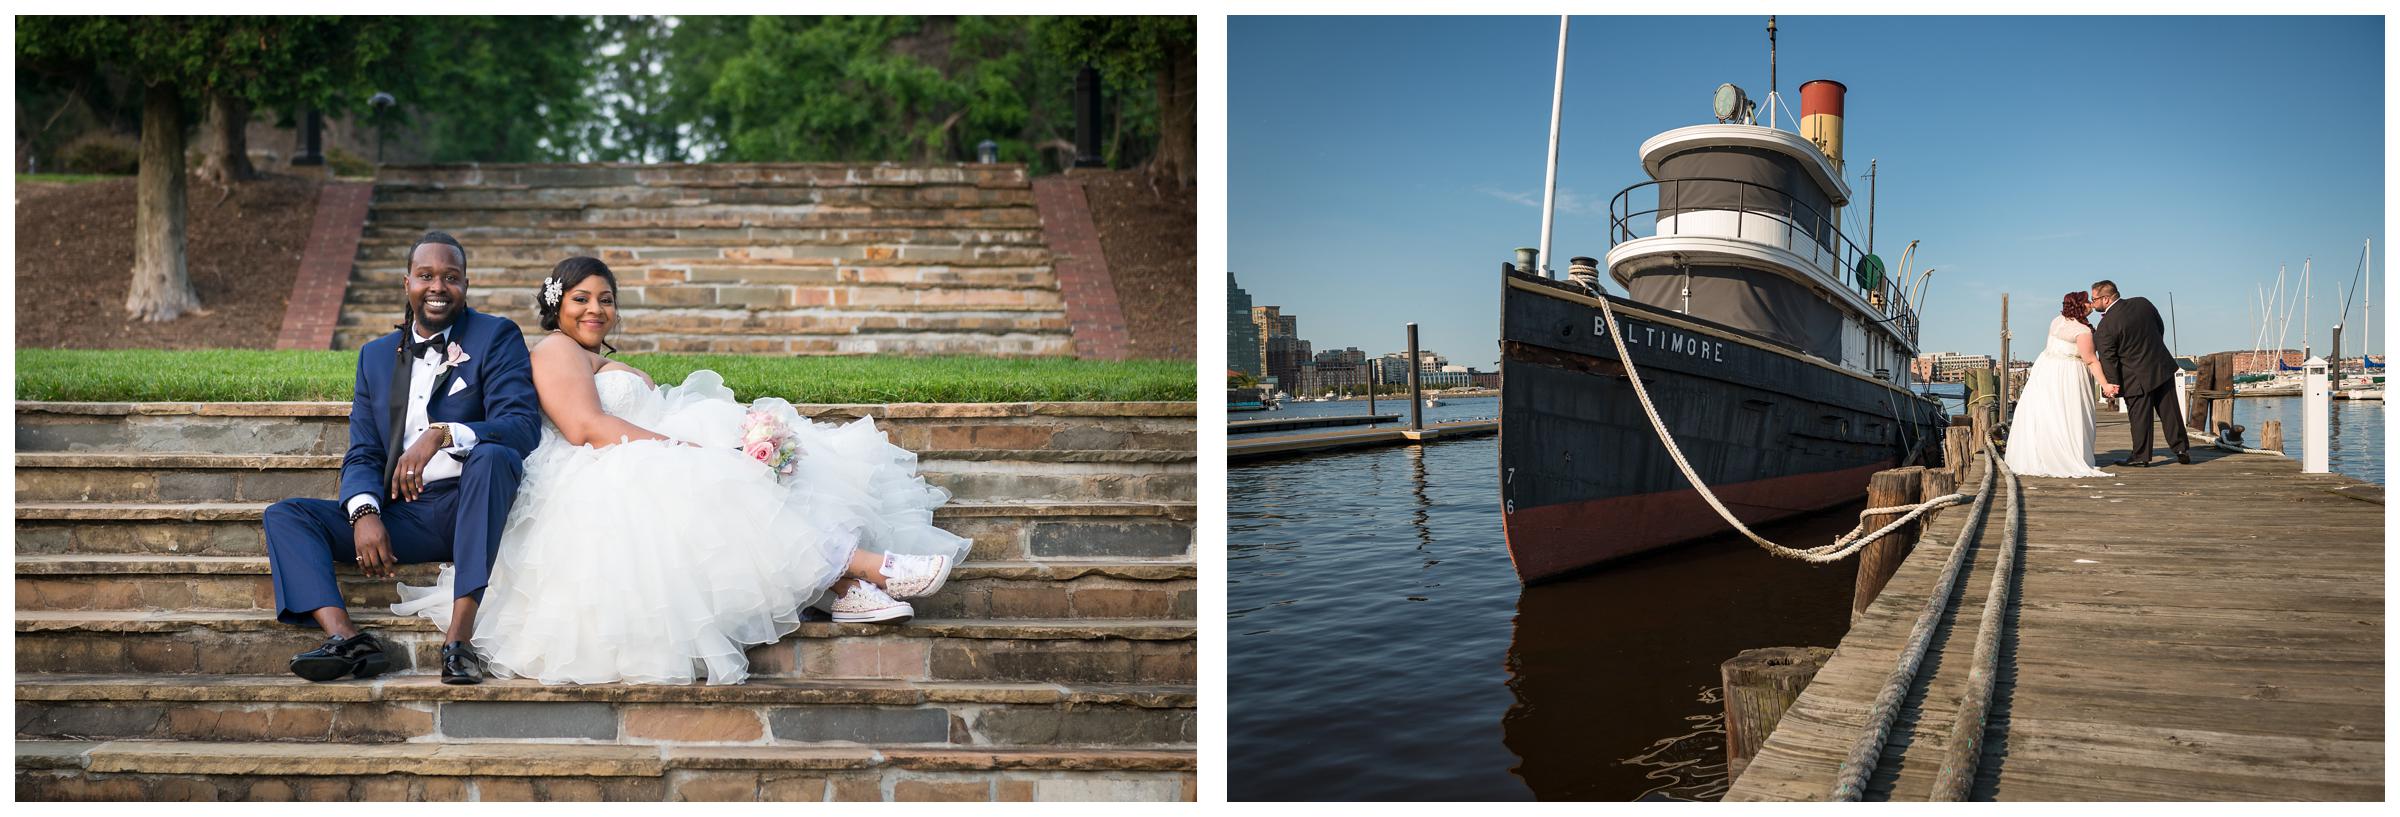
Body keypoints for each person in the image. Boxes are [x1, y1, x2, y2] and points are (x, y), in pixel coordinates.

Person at [391, 256, 969, 685]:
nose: (597, 309)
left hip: (636, 451)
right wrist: (684, 449)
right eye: (581, 299)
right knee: (705, 485)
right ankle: (869, 568)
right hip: (597, 471)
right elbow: (585, 427)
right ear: (556, 306)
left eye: (607, 299)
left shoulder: (602, 358)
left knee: (746, 471)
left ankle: (844, 590)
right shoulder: (552, 352)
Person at [265, 232, 540, 685]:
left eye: (451, 278)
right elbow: (365, 451)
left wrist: (442, 433)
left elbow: (521, 425)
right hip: (405, 515)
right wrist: (365, 513)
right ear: (407, 282)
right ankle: (348, 641)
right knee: (287, 516)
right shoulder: (375, 357)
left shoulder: (496, 336)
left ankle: (459, 641)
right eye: (426, 276)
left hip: (473, 501)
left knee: (492, 457)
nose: (438, 287)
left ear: (465, 286)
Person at [2003, 292, 2115, 478]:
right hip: (2069, 373)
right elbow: (2091, 360)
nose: (2090, 305)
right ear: (2080, 306)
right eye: (2087, 302)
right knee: (2069, 413)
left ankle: (2044, 453)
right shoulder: (2083, 331)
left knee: (2048, 413)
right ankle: (2067, 454)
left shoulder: (2057, 321)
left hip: (2046, 370)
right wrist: (2106, 385)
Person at [2090, 279, 2191, 467]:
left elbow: (2108, 359)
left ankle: (2141, 456)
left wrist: (2112, 385)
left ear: (2105, 299)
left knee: (2139, 418)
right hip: (2160, 365)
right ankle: (2181, 449)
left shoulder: (2105, 327)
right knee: (2171, 412)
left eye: (2094, 299)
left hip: (2134, 377)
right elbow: (2159, 327)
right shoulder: (2142, 303)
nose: (2092, 302)